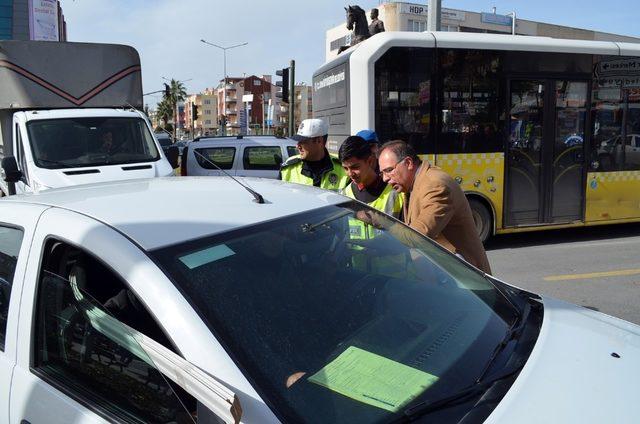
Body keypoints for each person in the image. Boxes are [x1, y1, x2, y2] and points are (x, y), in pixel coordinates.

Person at [377, 140, 492, 274]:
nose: (385, 178)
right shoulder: (414, 182)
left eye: (389, 170)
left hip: (465, 283)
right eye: (382, 173)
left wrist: (379, 224)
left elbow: (417, 235)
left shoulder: (435, 185)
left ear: (408, 163)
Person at [338, 135, 402, 219]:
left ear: (370, 161)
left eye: (355, 167)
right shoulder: (345, 195)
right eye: (345, 168)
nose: (350, 174)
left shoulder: (395, 193)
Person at [279, 118, 349, 191]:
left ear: (319, 140)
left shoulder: (344, 168)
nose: (297, 146)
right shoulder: (288, 169)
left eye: (303, 141)